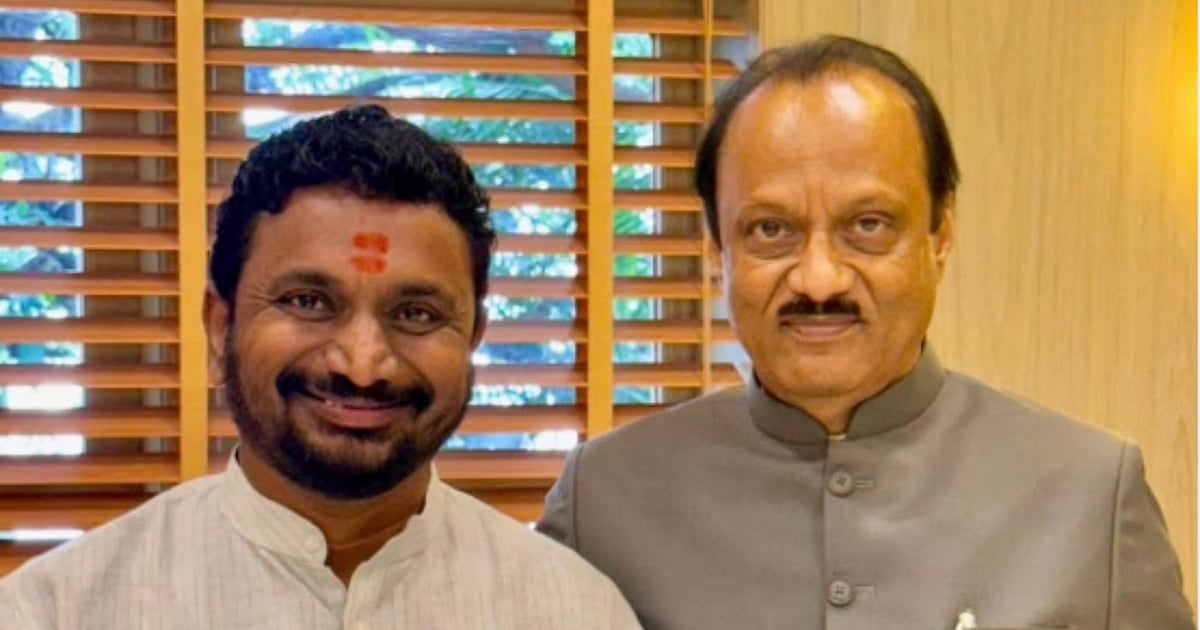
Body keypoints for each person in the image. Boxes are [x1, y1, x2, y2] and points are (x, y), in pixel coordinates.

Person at [537, 35, 1194, 630]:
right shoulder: (605, 503)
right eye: (771, 230)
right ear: (717, 251)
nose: (819, 280)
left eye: (868, 225)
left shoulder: (1090, 496)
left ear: (941, 236)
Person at [0, 105, 641, 629]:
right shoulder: (58, 611)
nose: (362, 365)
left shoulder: (574, 612)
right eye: (308, 302)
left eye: (415, 313)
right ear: (221, 325)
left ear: (472, 336)